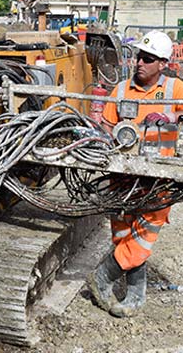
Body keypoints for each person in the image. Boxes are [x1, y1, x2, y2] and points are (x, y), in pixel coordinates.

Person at [89, 30, 183, 317]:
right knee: (123, 235)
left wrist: (172, 117)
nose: (140, 63)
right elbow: (106, 127)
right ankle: (135, 295)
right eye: (139, 57)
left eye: (148, 59)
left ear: (163, 63)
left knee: (142, 238)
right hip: (123, 177)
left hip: (158, 179)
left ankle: (102, 276)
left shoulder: (175, 89)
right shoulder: (120, 90)